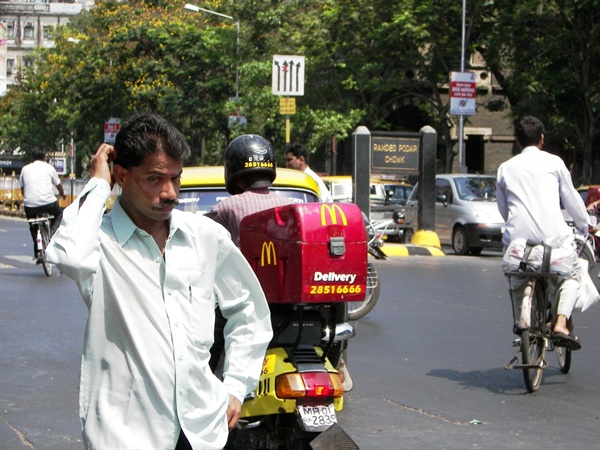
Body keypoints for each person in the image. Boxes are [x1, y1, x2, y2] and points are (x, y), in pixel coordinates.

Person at [46, 112, 273, 450]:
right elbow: (68, 256)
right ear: (121, 175)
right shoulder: (99, 241)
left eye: (176, 179)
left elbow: (249, 311)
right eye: (154, 179)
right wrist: (97, 185)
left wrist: (236, 386)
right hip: (127, 435)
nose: (170, 193)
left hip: (201, 430)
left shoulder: (205, 237)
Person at [207, 134, 353, 390]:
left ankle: (204, 388)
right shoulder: (292, 206)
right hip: (293, 303)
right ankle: (338, 361)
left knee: (211, 338)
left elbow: (201, 242)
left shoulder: (226, 208)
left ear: (235, 174)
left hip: (246, 301)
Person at [496, 115, 591, 350]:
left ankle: (522, 319)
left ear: (517, 142)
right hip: (553, 243)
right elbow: (572, 200)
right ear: (541, 139)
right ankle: (559, 323)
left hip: (519, 244)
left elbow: (503, 209)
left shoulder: (505, 168)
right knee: (572, 274)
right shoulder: (554, 163)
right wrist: (584, 225)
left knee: (516, 278)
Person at [18, 147, 66, 261]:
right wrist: (62, 194)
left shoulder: (25, 169)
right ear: (44, 157)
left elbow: (22, 187)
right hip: (49, 203)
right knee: (59, 215)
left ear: (32, 157)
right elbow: (58, 185)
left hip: (30, 206)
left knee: (33, 225)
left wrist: (27, 198)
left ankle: (38, 251)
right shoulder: (49, 168)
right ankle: (52, 237)